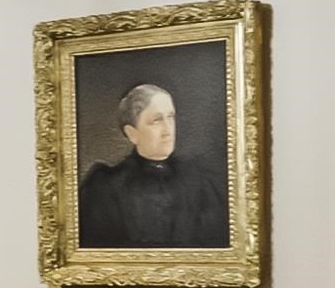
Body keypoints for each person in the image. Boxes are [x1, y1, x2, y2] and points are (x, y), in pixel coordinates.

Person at [77, 81, 231, 249]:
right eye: (156, 121)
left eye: (170, 117)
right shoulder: (106, 188)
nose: (168, 130)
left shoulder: (201, 181)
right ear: (132, 133)